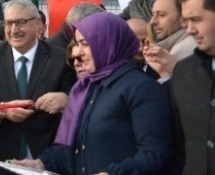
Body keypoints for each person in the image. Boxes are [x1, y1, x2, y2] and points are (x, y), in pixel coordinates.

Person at [15, 12, 173, 174]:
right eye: (77, 43)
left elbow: (155, 154)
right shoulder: (83, 88)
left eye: (86, 44)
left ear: (108, 43)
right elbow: (68, 148)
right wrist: (40, 164)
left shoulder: (142, 88)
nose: (77, 53)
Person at [0, 0, 76, 175]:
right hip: (1, 158)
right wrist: (3, 109)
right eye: (8, 23)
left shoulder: (59, 58)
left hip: (45, 157)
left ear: (37, 24)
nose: (13, 30)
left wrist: (66, 98)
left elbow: (75, 97)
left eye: (20, 22)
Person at [170, 0, 215, 173]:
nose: (189, 30)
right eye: (186, 21)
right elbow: (179, 143)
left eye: (196, 19)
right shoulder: (183, 72)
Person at [143, 0, 198, 82]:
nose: (153, 21)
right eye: (153, 14)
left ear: (184, 19)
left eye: (161, 15)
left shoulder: (183, 51)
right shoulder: (174, 47)